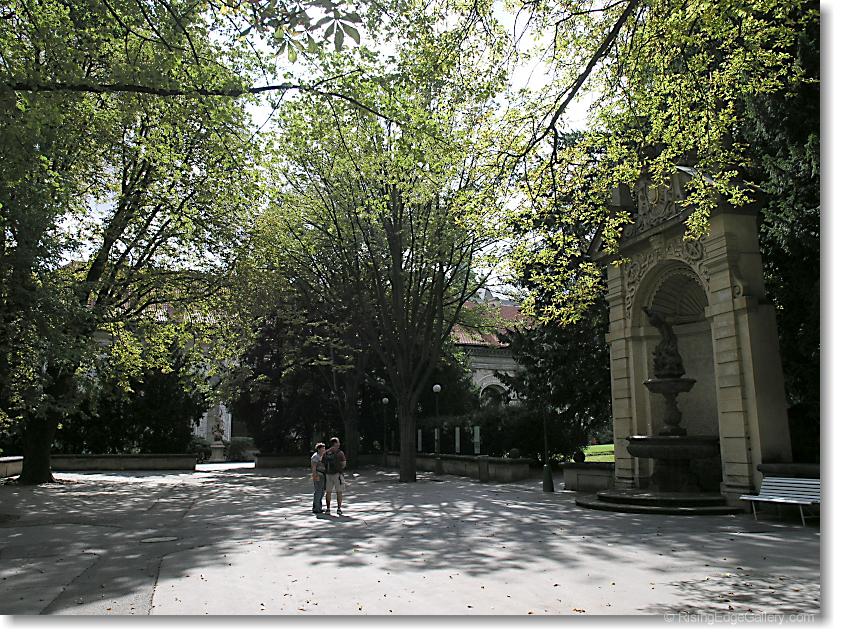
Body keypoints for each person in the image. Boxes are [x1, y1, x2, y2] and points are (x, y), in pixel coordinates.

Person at [323, 437, 347, 516]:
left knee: (328, 492)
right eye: (338, 442)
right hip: (337, 474)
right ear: (335, 443)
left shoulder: (326, 452)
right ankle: (339, 509)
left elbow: (323, 463)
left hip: (328, 475)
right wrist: (340, 469)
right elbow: (344, 464)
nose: (339, 444)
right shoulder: (340, 453)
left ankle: (328, 509)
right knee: (339, 492)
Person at [310, 443, 326, 514]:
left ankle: (319, 507)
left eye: (324, 448)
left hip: (323, 475)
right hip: (318, 474)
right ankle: (316, 508)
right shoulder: (315, 456)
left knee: (322, 492)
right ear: (319, 449)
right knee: (318, 491)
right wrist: (315, 475)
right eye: (322, 448)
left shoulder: (322, 456)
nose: (324, 450)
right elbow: (314, 467)